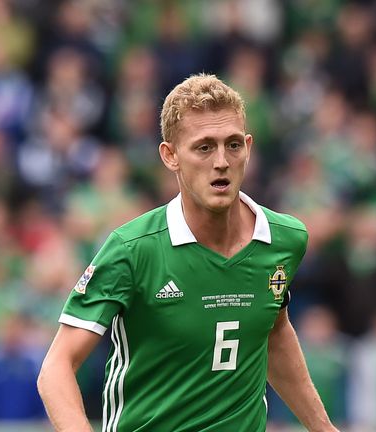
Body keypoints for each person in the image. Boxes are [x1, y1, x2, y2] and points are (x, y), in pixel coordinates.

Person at [37, 74, 337, 432]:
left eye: (233, 145)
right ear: (170, 156)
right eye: (204, 147)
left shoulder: (284, 239)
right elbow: (56, 368)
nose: (222, 161)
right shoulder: (133, 250)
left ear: (249, 148)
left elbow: (272, 332)